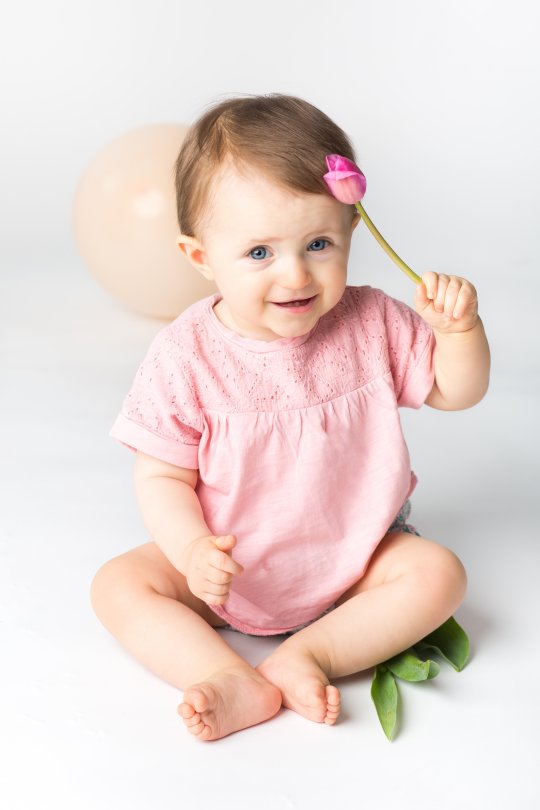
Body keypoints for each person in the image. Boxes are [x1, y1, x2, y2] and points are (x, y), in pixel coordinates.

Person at [91, 94, 490, 742]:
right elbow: (160, 477)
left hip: (356, 558)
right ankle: (226, 675)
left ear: (351, 228)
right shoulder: (186, 355)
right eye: (259, 254)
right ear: (199, 258)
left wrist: (461, 332)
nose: (296, 274)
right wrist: (192, 553)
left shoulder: (371, 322)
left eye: (319, 242)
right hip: (229, 568)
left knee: (438, 574)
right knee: (118, 585)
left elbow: (454, 390)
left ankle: (313, 653)